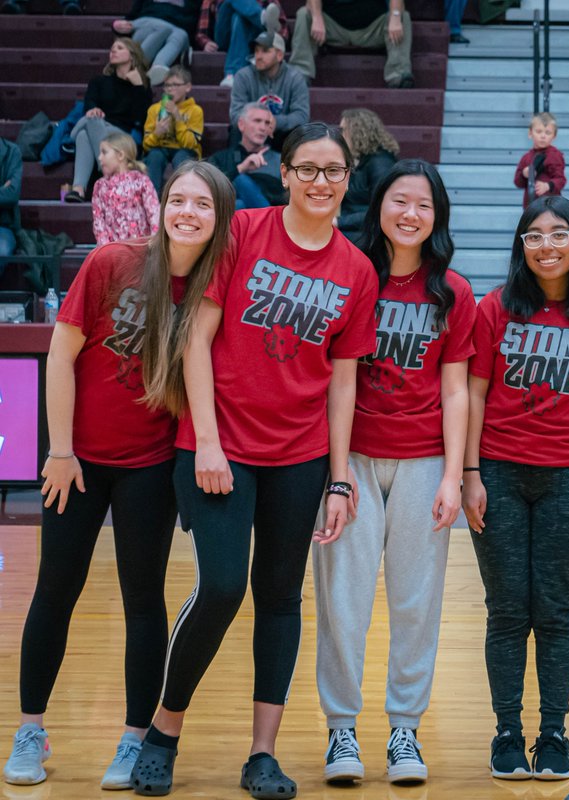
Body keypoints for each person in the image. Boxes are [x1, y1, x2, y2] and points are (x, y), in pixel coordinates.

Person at [127, 123, 378, 799]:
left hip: (300, 458)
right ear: (286, 173)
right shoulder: (244, 232)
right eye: (308, 169)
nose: (321, 182)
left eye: (334, 171)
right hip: (220, 447)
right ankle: (164, 729)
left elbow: (344, 380)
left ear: (347, 180)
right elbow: (195, 339)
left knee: (279, 597)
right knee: (221, 588)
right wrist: (206, 441)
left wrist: (341, 477)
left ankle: (261, 754)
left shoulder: (357, 270)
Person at [1, 161, 234, 790]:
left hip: (152, 468)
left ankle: (134, 738)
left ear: (221, 217)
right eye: (178, 199)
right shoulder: (112, 261)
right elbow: (60, 355)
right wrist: (59, 450)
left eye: (202, 204)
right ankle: (30, 728)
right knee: (56, 589)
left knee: (143, 600)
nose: (187, 212)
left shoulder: (219, 286)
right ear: (160, 204)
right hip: (76, 462)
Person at [314, 159, 475, 786]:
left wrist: (454, 476)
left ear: (437, 217)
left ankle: (405, 731)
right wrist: (335, 475)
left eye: (424, 205)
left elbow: (457, 389)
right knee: (342, 601)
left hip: (425, 460)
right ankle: (342, 733)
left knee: (416, 603)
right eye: (399, 201)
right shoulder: (351, 275)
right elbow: (334, 378)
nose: (410, 214)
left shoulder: (453, 291)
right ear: (378, 207)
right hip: (351, 458)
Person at [462, 195, 569, 781]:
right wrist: (470, 474)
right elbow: (475, 392)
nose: (546, 246)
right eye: (533, 235)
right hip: (499, 473)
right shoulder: (496, 307)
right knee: (506, 611)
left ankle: (553, 732)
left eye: (558, 234)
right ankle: (507, 731)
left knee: (555, 612)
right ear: (520, 246)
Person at [65, 38, 152, 204]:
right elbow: (89, 104)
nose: (113, 51)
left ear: (132, 55)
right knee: (90, 124)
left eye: (119, 48)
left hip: (123, 135)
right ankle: (82, 188)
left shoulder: (142, 84)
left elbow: (142, 119)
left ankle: (85, 184)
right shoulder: (99, 81)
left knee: (83, 131)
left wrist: (138, 87)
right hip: (98, 127)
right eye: (112, 48)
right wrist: (92, 110)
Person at [291, 0, 415, 89]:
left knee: (402, 16)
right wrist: (317, 17)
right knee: (304, 14)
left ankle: (398, 76)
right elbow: (310, 3)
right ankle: (300, 75)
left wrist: (395, 16)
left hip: (371, 30)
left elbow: (399, 4)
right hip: (332, 29)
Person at [229, 31, 309, 146]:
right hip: (251, 132)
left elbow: (302, 116)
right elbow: (236, 114)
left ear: (279, 55)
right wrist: (257, 123)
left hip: (282, 133)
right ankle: (236, 164)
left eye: (265, 51)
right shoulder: (243, 76)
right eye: (256, 51)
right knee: (236, 131)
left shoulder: (295, 78)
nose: (258, 56)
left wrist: (277, 122)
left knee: (299, 133)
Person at [206, 103, 285, 209]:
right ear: (241, 124)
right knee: (239, 204)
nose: (263, 128)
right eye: (257, 121)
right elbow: (207, 192)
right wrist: (240, 168)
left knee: (241, 188)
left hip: (269, 216)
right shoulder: (220, 159)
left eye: (267, 123)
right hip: (235, 219)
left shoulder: (280, 160)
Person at [336, 108, 399, 244]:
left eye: (343, 130)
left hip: (372, 235)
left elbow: (382, 211)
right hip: (355, 229)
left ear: (357, 132)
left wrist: (338, 222)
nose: (340, 136)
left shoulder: (381, 164)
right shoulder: (358, 159)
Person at [111, 0, 204, 86]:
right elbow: (132, 16)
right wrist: (117, 26)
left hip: (176, 28)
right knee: (163, 28)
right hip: (147, 25)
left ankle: (158, 66)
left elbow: (193, 22)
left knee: (182, 35)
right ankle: (135, 65)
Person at [196, 0, 286, 88]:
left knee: (238, 18)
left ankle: (232, 74)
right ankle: (261, 18)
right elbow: (201, 32)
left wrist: (275, 41)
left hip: (255, 39)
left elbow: (280, 27)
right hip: (224, 37)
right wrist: (205, 42)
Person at [142, 66, 203, 193]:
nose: (170, 89)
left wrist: (178, 118)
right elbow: (146, 145)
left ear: (188, 87)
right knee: (154, 156)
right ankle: (152, 202)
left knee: (182, 157)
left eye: (175, 85)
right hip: (161, 148)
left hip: (184, 150)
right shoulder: (155, 109)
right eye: (167, 85)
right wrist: (156, 134)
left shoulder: (195, 110)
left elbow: (191, 144)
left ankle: (182, 195)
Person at [92, 132, 159, 246]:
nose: (99, 157)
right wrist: (106, 249)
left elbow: (154, 214)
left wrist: (153, 245)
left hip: (140, 250)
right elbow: (99, 222)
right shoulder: (100, 185)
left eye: (104, 152)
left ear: (120, 155)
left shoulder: (140, 180)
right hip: (112, 252)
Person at [514, 112, 566, 208]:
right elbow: (517, 182)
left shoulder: (555, 155)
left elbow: (561, 179)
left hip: (551, 206)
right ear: (530, 133)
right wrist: (524, 174)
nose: (543, 136)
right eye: (539, 131)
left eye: (548, 132)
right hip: (530, 206)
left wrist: (548, 186)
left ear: (554, 136)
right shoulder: (526, 158)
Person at [0, 137, 19, 257]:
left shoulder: (12, 151)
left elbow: (12, 194)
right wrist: (2, 189)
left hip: (3, 226)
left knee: (1, 251)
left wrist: (6, 191)